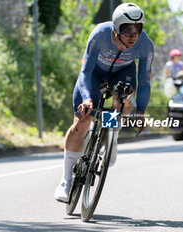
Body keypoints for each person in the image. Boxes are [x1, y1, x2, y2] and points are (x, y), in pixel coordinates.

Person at [54, 2, 154, 202]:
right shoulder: (100, 34)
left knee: (123, 97)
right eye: (127, 30)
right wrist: (87, 98)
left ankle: (112, 134)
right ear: (116, 28)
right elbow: (86, 71)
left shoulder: (145, 44)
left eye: (138, 30)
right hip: (95, 75)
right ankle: (65, 180)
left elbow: (144, 82)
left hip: (122, 73)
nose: (133, 36)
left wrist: (141, 112)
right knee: (82, 121)